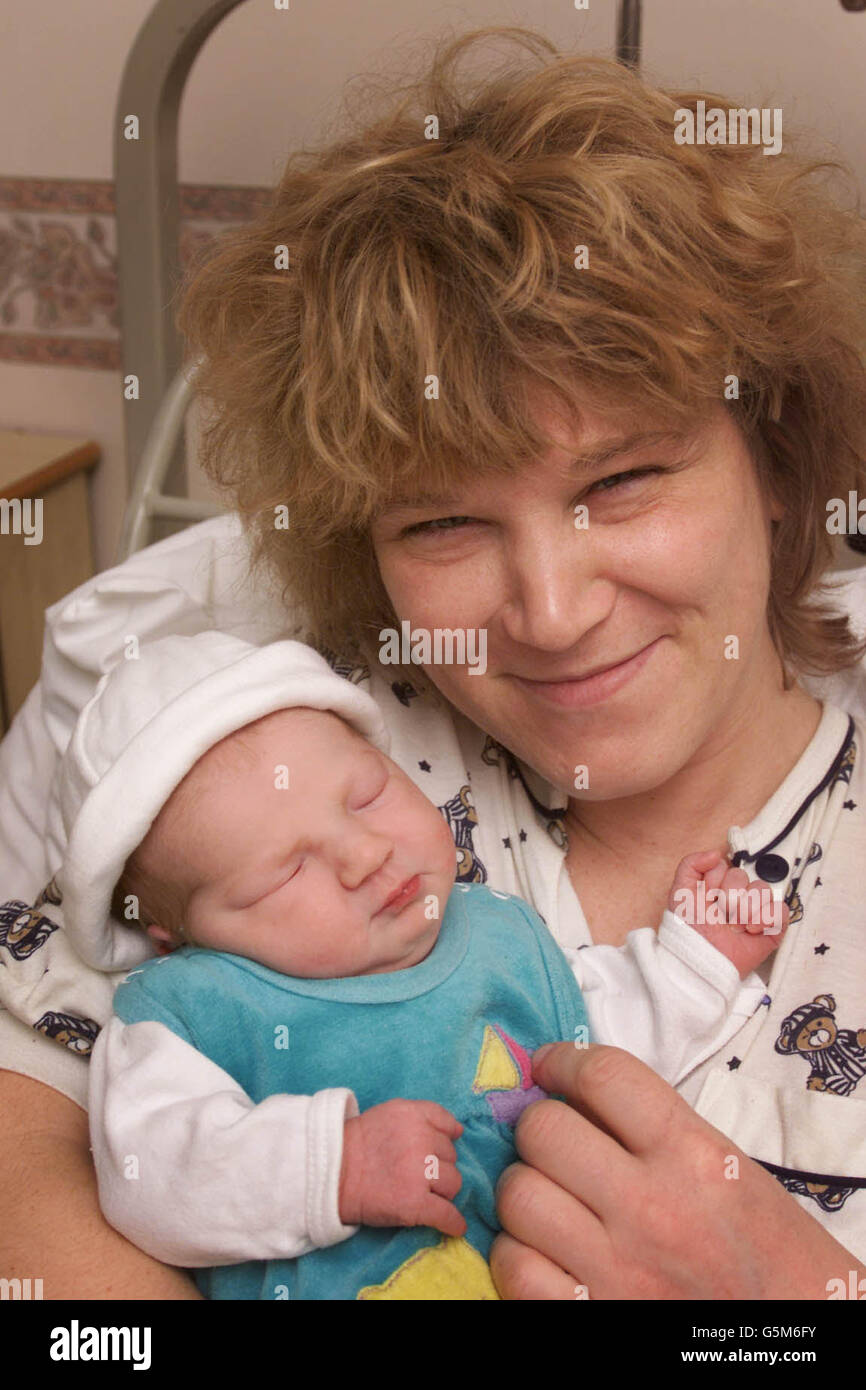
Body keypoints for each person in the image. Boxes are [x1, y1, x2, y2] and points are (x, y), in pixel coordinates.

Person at [2, 26, 866, 1299]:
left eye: (621, 480)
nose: (553, 609)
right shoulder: (271, 761)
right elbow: (28, 1156)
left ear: (776, 468)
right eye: (443, 522)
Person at [42, 630, 780, 1300]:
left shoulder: (499, 933)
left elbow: (592, 1046)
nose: (366, 857)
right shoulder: (190, 1010)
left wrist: (696, 958)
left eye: (368, 795)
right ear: (180, 938)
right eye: (286, 874)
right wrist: (332, 1166)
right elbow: (152, 1174)